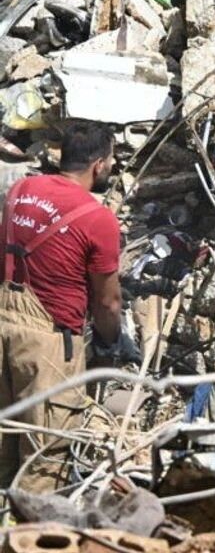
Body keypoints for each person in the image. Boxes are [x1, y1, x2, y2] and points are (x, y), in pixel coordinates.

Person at [0, 120, 134, 493]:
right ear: (99, 165)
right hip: (50, 346)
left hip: (2, 324)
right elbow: (107, 302)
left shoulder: (21, 190)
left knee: (3, 449)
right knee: (45, 461)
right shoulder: (98, 218)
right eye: (110, 162)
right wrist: (109, 345)